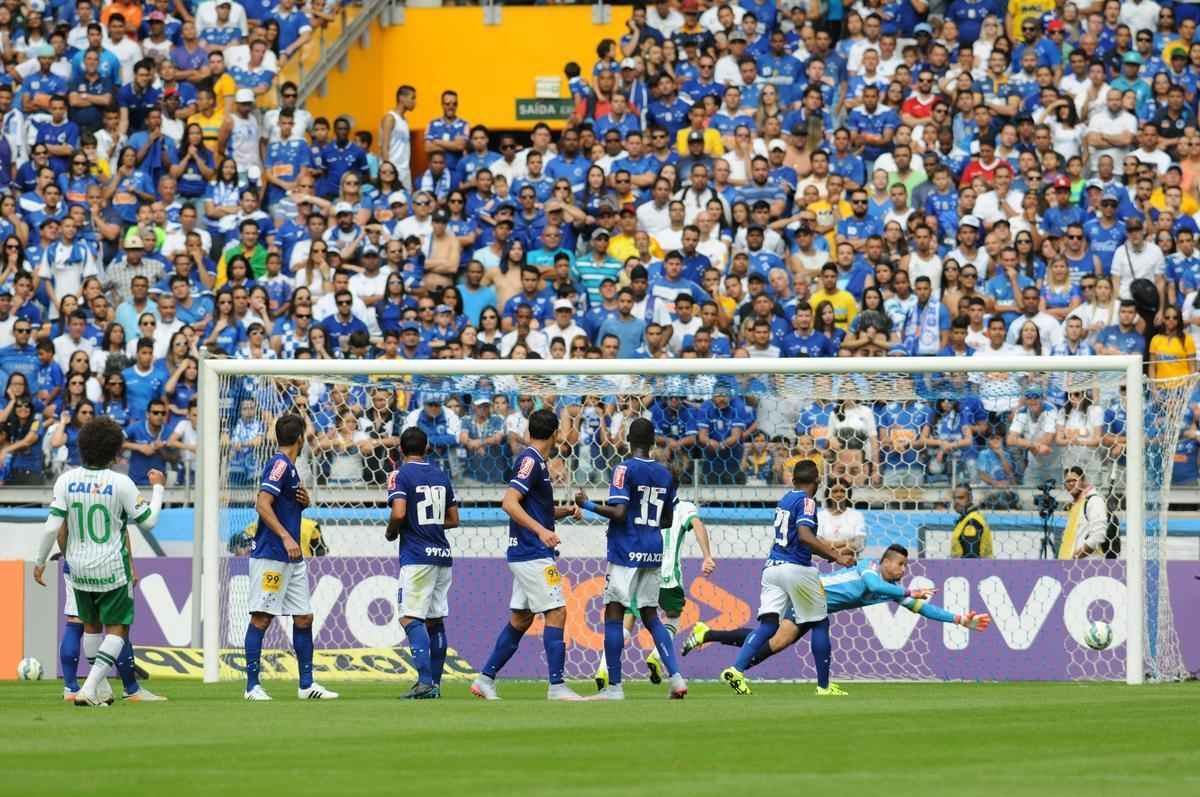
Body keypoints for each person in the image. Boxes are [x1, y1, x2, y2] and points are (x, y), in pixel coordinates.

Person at [684, 545, 992, 682]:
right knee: (773, 643)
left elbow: (922, 609)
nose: (902, 570)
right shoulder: (870, 573)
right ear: (885, 561)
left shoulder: (890, 587)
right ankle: (718, 649)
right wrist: (910, 591)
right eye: (899, 565)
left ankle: (707, 635)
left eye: (905, 568)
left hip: (812, 603)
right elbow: (881, 587)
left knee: (771, 644)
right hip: (807, 595)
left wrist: (959, 619)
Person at [44, 416, 166, 706]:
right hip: (110, 566)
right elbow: (147, 522)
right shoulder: (120, 483)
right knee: (118, 627)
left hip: (77, 565)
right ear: (116, 450)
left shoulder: (66, 481)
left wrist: (51, 559)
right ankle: (90, 688)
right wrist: (159, 488)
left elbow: (58, 527)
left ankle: (92, 688)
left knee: (88, 624)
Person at [470, 409, 583, 701]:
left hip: (528, 551)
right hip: (533, 553)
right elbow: (509, 502)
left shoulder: (538, 463)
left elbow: (537, 511)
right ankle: (557, 687)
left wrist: (565, 512)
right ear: (556, 433)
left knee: (521, 620)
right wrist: (542, 532)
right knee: (557, 611)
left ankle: (484, 680)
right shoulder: (530, 460)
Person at [575, 418, 688, 700]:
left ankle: (614, 687)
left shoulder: (623, 468)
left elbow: (619, 512)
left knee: (614, 612)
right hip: (653, 548)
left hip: (626, 550)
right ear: (652, 443)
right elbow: (667, 519)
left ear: (627, 439)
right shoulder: (664, 474)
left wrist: (586, 504)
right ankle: (675, 678)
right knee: (651, 614)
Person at [720, 459, 854, 696]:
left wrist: (825, 551)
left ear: (793, 481)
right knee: (820, 622)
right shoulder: (807, 501)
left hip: (772, 567)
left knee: (769, 624)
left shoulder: (785, 501)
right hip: (796, 569)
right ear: (817, 480)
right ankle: (824, 687)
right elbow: (804, 535)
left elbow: (797, 538)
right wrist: (836, 556)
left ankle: (736, 669)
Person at [243, 414, 339, 701]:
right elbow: (262, 503)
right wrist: (286, 536)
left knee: (304, 618)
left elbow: (282, 505)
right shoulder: (280, 464)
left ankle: (307, 685)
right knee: (261, 618)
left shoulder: (291, 469)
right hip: (273, 555)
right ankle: (251, 687)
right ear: (299, 439)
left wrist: (303, 504)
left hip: (291, 558)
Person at [386, 426, 459, 700]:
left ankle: (425, 682)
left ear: (401, 450)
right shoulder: (441, 474)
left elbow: (399, 511)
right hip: (442, 554)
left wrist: (393, 530)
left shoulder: (399, 474)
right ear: (427, 448)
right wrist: (428, 524)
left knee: (409, 617)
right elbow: (454, 519)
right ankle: (435, 686)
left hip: (417, 557)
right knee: (435, 620)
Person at [1059, 466, 1115, 559]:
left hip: (1088, 565)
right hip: (1069, 565)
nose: (1071, 483)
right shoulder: (1074, 505)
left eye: (1074, 480)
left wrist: (1078, 556)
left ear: (1083, 481)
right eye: (1067, 481)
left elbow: (1098, 535)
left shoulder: (1094, 501)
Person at [950, 485, 993, 558]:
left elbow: (971, 556)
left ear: (970, 498)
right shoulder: (965, 519)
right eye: (954, 498)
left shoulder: (972, 521)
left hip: (973, 568)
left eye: (961, 498)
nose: (956, 501)